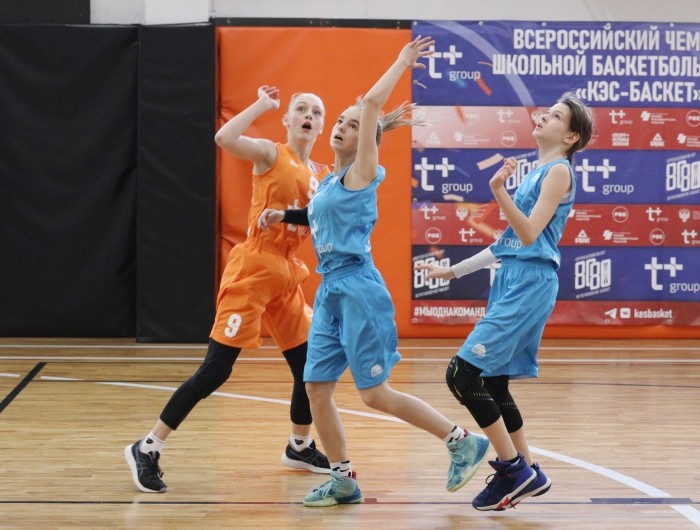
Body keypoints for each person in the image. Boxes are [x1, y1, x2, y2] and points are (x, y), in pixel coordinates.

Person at [257, 36, 490, 507]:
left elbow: (370, 106)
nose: (342, 126)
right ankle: (343, 479)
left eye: (352, 124)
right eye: (340, 122)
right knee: (316, 388)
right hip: (330, 290)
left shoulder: (362, 172)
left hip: (359, 287)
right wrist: (285, 215)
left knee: (374, 394)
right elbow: (320, 215)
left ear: (366, 138)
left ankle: (460, 440)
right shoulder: (328, 182)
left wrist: (402, 61)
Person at [124, 85, 332, 493]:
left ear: (322, 125)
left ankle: (300, 446)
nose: (309, 114)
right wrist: (262, 104)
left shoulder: (321, 175)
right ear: (287, 119)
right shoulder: (271, 154)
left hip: (287, 273)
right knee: (217, 369)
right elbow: (224, 138)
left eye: (316, 111)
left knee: (309, 366)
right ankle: (147, 447)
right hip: (254, 268)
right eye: (301, 109)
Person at [415, 92, 594, 511]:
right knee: (493, 382)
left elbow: (529, 234)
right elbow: (507, 243)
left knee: (461, 374)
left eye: (555, 116)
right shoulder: (538, 170)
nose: (543, 117)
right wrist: (454, 272)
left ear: (570, 136)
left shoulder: (559, 171)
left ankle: (512, 469)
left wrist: (498, 191)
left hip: (530, 282)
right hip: (515, 277)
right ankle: (529, 470)